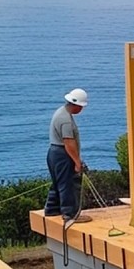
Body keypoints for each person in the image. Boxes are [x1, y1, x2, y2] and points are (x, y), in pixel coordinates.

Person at [44, 88, 91, 223]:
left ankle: (52, 209)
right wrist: (77, 162)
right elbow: (68, 143)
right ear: (76, 105)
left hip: (54, 152)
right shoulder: (66, 120)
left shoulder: (60, 112)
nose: (81, 109)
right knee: (68, 184)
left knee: (58, 182)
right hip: (62, 154)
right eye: (81, 107)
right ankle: (70, 215)